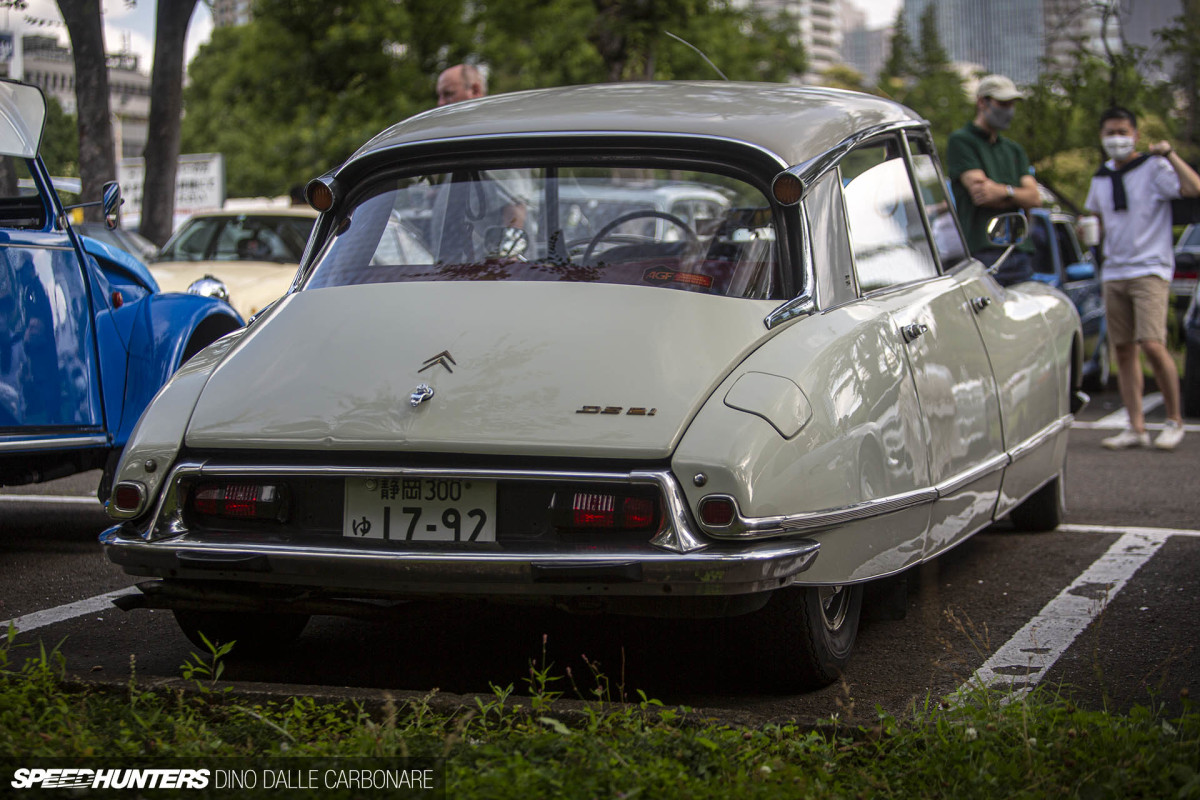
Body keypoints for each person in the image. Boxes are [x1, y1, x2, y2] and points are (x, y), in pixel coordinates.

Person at [1085, 107, 1200, 450]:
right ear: (1101, 136)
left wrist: (1169, 154)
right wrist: (1087, 230)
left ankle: (1174, 420)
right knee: (1123, 350)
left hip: (1150, 268)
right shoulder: (1100, 177)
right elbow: (1096, 217)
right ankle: (1136, 427)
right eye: (1110, 132)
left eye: (1123, 131)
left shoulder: (1154, 168)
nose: (1116, 138)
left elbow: (1193, 187)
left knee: (1152, 343)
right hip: (1114, 270)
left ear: (1135, 134)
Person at [946, 74, 1042, 286]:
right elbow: (982, 195)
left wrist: (1004, 192)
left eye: (1011, 104)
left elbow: (1035, 198)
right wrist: (1018, 196)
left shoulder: (1014, 150)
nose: (1009, 110)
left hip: (1020, 251)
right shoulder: (962, 141)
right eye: (1003, 103)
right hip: (983, 252)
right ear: (982, 102)